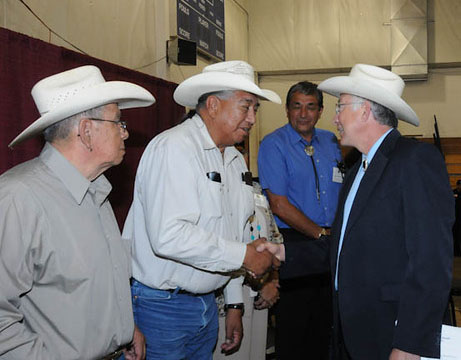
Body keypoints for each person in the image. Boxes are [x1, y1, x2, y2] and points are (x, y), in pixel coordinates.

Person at [260, 64, 454, 360]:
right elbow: (343, 246)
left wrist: (410, 343)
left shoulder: (414, 160)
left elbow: (432, 262)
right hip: (350, 332)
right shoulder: (357, 170)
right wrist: (284, 253)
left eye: (340, 107)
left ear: (365, 111)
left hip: (390, 334)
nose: (334, 117)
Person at [122, 60, 282, 360]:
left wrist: (234, 304)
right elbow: (169, 236)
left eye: (255, 110)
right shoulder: (174, 148)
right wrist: (246, 256)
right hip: (161, 308)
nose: (251, 118)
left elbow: (235, 234)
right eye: (245, 106)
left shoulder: (235, 160)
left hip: (207, 306)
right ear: (212, 105)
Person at [0, 65, 155, 359]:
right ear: (86, 131)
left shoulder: (96, 189)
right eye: (118, 122)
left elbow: (87, 286)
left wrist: (121, 329)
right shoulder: (18, 198)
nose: (125, 133)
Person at [257, 81, 342, 359]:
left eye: (310, 107)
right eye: (297, 106)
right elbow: (279, 204)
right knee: (294, 332)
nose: (303, 114)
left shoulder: (333, 143)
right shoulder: (273, 144)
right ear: (286, 110)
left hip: (331, 244)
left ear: (320, 111)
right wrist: (320, 234)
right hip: (294, 244)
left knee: (326, 327)